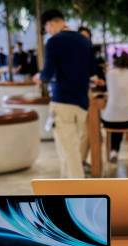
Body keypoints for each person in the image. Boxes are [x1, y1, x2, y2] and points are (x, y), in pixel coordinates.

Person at [34, 9, 94, 179]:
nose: (48, 32)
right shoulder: (84, 40)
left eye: (47, 28)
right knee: (70, 148)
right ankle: (66, 188)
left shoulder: (54, 42)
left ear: (51, 23)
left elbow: (47, 73)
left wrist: (39, 77)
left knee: (69, 152)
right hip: (82, 103)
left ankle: (77, 191)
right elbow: (91, 70)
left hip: (62, 101)